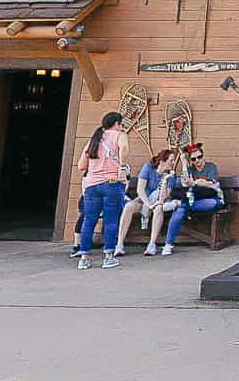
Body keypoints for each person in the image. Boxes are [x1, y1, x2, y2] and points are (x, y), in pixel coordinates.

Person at [75, 111, 128, 269]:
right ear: (117, 123)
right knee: (111, 220)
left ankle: (84, 258)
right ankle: (108, 257)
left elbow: (81, 166)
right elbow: (124, 147)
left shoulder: (94, 139)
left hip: (91, 185)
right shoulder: (119, 135)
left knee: (88, 220)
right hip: (112, 183)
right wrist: (122, 167)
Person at [158, 142, 222, 256]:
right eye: (193, 159)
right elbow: (184, 183)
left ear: (203, 156)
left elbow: (210, 184)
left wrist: (194, 182)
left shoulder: (211, 167)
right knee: (180, 210)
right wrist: (183, 163)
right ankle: (168, 245)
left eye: (199, 157)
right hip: (193, 200)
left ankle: (179, 204)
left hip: (211, 198)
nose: (197, 160)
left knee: (209, 204)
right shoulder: (190, 169)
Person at [117, 148, 181, 257]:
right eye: (171, 160)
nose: (173, 163)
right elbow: (140, 190)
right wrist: (149, 204)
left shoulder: (171, 175)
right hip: (144, 201)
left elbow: (163, 198)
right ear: (162, 161)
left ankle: (152, 244)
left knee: (159, 208)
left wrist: (165, 180)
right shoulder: (148, 168)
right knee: (128, 207)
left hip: (159, 202)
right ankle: (119, 245)